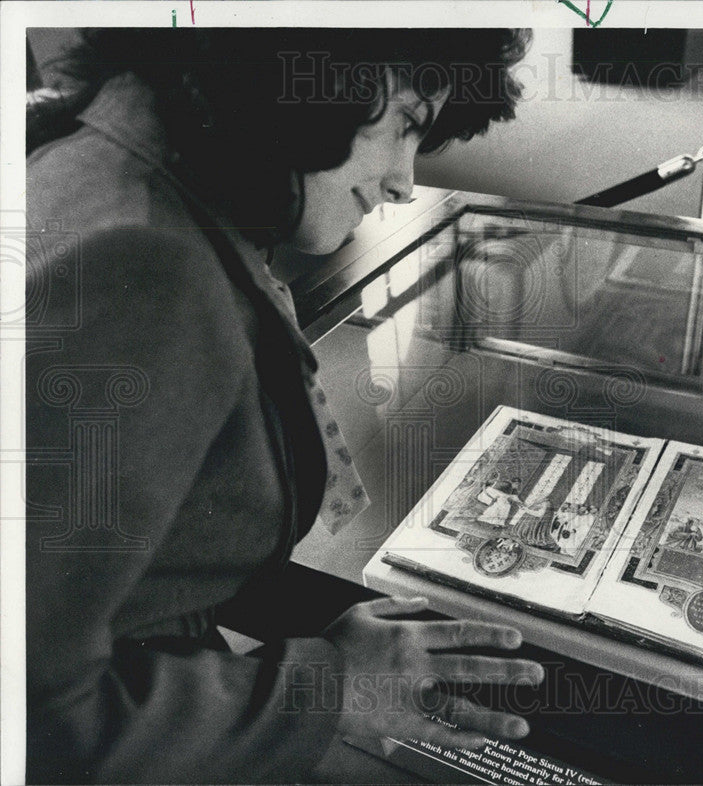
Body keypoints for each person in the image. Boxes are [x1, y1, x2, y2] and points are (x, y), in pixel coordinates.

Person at [25, 28, 538, 783]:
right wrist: (328, 686)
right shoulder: (142, 263)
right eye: (405, 125)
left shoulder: (113, 161)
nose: (403, 180)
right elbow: (36, 722)